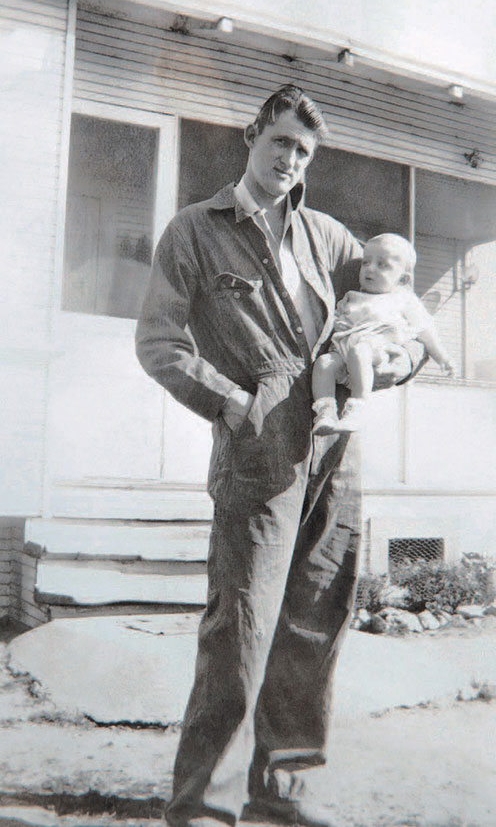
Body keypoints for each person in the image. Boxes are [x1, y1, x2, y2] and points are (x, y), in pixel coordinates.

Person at [135, 85, 425, 827]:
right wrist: (232, 404)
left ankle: (284, 790)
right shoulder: (196, 232)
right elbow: (159, 344)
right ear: (251, 138)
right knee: (243, 625)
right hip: (258, 448)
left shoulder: (327, 237)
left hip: (335, 447)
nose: (291, 160)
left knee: (314, 616)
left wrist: (402, 359)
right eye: (281, 143)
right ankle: (204, 805)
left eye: (303, 151)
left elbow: (396, 302)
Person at [312, 233, 454, 435]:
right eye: (366, 262)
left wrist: (442, 357)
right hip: (343, 356)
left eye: (382, 265)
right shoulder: (351, 297)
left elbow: (425, 329)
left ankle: (357, 409)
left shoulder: (403, 299)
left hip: (374, 352)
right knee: (324, 364)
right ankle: (326, 412)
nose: (370, 269)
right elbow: (333, 320)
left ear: (403, 279)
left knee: (360, 351)